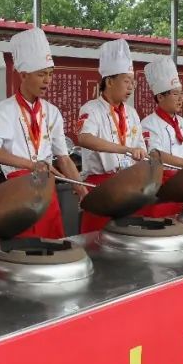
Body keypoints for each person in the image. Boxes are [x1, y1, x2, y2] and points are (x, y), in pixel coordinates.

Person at [0, 27, 87, 238]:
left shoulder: (52, 112)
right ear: (24, 75)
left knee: (52, 249)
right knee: (21, 252)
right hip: (17, 193)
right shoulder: (4, 110)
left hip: (47, 193)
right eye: (41, 74)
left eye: (50, 74)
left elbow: (64, 159)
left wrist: (82, 190)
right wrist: (32, 165)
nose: (47, 80)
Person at [75, 39, 147, 233]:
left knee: (125, 238)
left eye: (133, 82)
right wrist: (126, 149)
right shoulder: (91, 109)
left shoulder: (132, 113)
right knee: (98, 239)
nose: (131, 87)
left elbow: (141, 148)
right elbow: (84, 138)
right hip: (100, 188)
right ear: (109, 81)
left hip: (128, 187)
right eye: (126, 81)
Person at [138, 56, 183, 217]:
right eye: (175, 94)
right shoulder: (148, 124)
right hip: (159, 187)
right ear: (160, 97)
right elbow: (157, 155)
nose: (181, 98)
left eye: (181, 93)